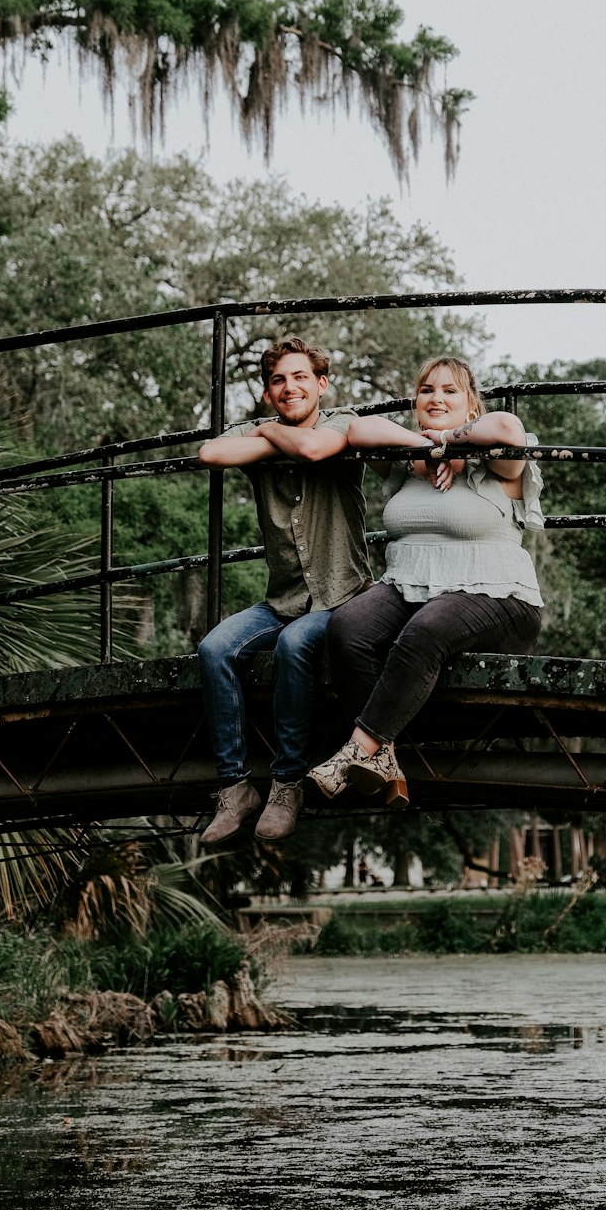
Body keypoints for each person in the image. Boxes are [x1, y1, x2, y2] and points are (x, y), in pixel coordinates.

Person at [308, 356, 544, 807]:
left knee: (424, 633)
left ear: (471, 403)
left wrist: (451, 443)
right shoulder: (405, 460)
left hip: (496, 594)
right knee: (348, 627)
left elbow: (509, 427)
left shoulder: (499, 465)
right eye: (427, 390)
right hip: (409, 585)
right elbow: (358, 429)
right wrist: (425, 446)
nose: (436, 398)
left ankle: (357, 750)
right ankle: (383, 757)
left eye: (450, 391)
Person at [196, 336, 370, 842]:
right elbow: (210, 451)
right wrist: (274, 433)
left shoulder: (343, 424)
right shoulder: (262, 432)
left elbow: (316, 448)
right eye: (277, 381)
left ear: (321, 383)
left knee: (296, 646)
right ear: (269, 392)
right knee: (214, 648)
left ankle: (287, 781)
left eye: (299, 377)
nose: (289, 387)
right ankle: (234, 788)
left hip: (344, 595)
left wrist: (266, 433)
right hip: (284, 600)